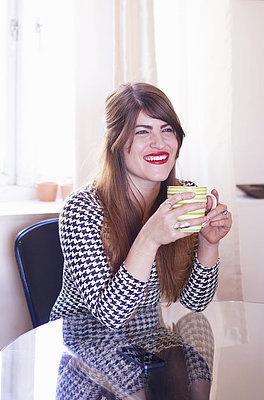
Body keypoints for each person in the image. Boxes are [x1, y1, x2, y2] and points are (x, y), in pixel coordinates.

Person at [49, 82, 232, 329]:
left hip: (145, 346)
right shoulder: (82, 209)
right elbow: (112, 315)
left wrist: (209, 244)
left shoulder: (181, 196)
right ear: (117, 143)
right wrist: (149, 238)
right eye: (142, 132)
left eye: (167, 130)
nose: (159, 143)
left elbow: (195, 301)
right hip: (83, 346)